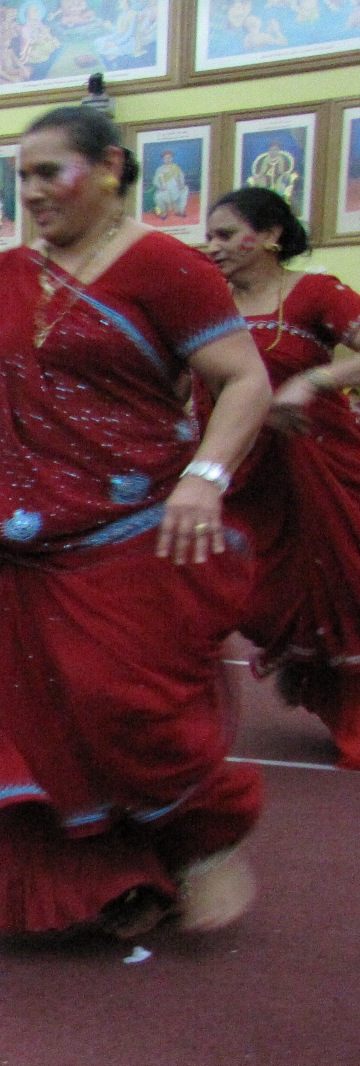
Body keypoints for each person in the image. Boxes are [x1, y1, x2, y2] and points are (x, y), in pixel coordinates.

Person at [0, 106, 273, 937]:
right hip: (32, 541)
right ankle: (110, 876)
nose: (30, 192)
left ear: (113, 169)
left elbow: (245, 382)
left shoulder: (165, 267)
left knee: (123, 700)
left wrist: (205, 479)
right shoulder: (7, 274)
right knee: (41, 716)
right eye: (19, 176)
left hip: (135, 526)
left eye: (49, 172)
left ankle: (206, 836)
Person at [203, 187, 360, 768]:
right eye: (210, 236)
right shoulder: (207, 306)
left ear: (269, 236)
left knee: (344, 594)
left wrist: (314, 382)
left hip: (324, 473)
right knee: (261, 603)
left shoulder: (314, 293)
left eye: (225, 234)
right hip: (247, 481)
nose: (212, 246)